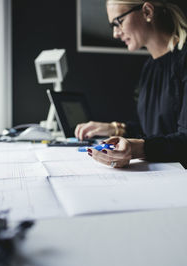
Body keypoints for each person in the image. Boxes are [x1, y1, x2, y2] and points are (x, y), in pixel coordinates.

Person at [75, 0, 187, 168]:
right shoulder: (149, 67)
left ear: (147, 12)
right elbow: (152, 130)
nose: (115, 33)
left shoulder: (183, 61)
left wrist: (137, 149)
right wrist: (115, 129)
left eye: (118, 22)